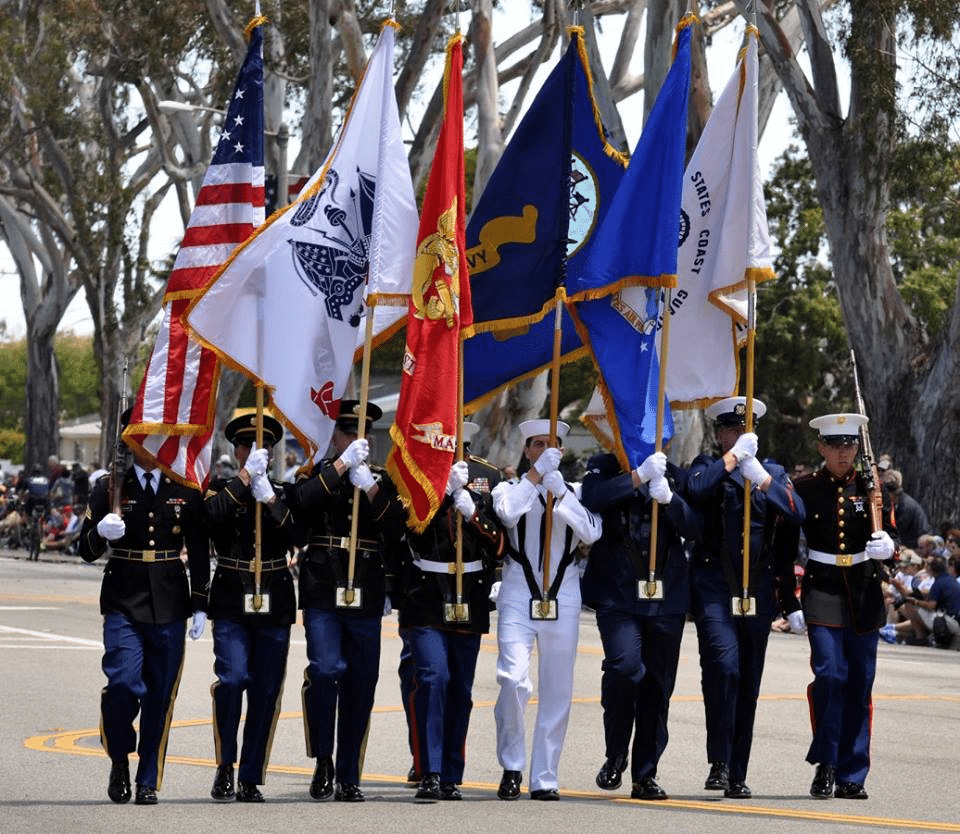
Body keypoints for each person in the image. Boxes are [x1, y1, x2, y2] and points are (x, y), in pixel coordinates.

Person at [78, 413, 209, 805]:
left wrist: (201, 603)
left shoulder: (184, 488)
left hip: (170, 600)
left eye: (158, 434)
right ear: (131, 439)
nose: (152, 442)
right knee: (122, 684)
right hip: (123, 597)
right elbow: (85, 551)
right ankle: (120, 757)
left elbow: (200, 550)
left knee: (159, 695)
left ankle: (148, 777)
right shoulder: (110, 487)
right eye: (144, 434)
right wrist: (99, 533)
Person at [685, 397, 806, 799]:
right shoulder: (707, 466)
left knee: (749, 680)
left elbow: (796, 513)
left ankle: (738, 771)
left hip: (756, 589)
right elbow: (699, 490)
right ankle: (718, 760)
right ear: (719, 434)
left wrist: (764, 479)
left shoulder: (771, 472)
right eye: (730, 431)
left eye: (743, 431)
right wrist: (735, 460)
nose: (736, 436)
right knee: (723, 668)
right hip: (715, 587)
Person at [287, 401, 405, 803]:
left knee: (361, 683)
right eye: (348, 433)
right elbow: (300, 506)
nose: (359, 439)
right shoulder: (317, 473)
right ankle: (323, 758)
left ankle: (349, 772)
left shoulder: (381, 480)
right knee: (324, 669)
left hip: (367, 586)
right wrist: (340, 470)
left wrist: (368, 485)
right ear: (334, 437)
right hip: (324, 583)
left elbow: (395, 529)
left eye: (364, 433)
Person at [580, 445, 701, 801]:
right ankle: (616, 752)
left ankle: (645, 774)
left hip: (666, 596)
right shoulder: (604, 466)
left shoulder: (675, 474)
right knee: (624, 667)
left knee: (657, 687)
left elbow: (695, 528)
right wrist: (636, 477)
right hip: (618, 592)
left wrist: (671, 500)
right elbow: (593, 498)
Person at [490, 419, 602, 801]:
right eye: (537, 445)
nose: (544, 450)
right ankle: (512, 764)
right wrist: (537, 477)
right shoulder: (509, 488)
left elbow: (591, 532)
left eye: (551, 445)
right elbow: (507, 513)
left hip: (564, 593)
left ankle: (545, 775)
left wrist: (562, 495)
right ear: (526, 451)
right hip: (519, 591)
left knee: (558, 690)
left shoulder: (577, 490)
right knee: (512, 677)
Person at [787, 413, 897, 801]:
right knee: (830, 675)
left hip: (864, 593)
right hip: (822, 591)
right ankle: (826, 762)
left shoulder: (874, 488)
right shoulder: (805, 488)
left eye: (849, 446)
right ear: (821, 447)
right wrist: (788, 601)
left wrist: (889, 547)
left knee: (859, 684)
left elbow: (893, 537)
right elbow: (785, 545)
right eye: (835, 446)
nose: (843, 453)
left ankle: (853, 774)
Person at [398, 421, 507, 801]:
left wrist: (472, 510)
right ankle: (428, 769)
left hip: (470, 593)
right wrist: (438, 496)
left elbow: (499, 542)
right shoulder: (413, 473)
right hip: (426, 593)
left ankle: (449, 773)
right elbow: (402, 533)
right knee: (431, 677)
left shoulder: (486, 476)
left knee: (460, 688)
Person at [203, 409, 302, 803]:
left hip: (274, 596)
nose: (253, 451)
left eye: (261, 446)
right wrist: (244, 482)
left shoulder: (285, 491)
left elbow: (299, 534)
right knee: (232, 680)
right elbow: (210, 519)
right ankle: (226, 764)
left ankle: (251, 774)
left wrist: (271, 499)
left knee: (264, 690)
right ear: (237, 451)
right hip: (231, 594)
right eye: (246, 446)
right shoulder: (219, 488)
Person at [881, 469, 929, 550]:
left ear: (891, 494)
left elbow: (898, 530)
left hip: (917, 543)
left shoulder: (906, 506)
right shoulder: (899, 502)